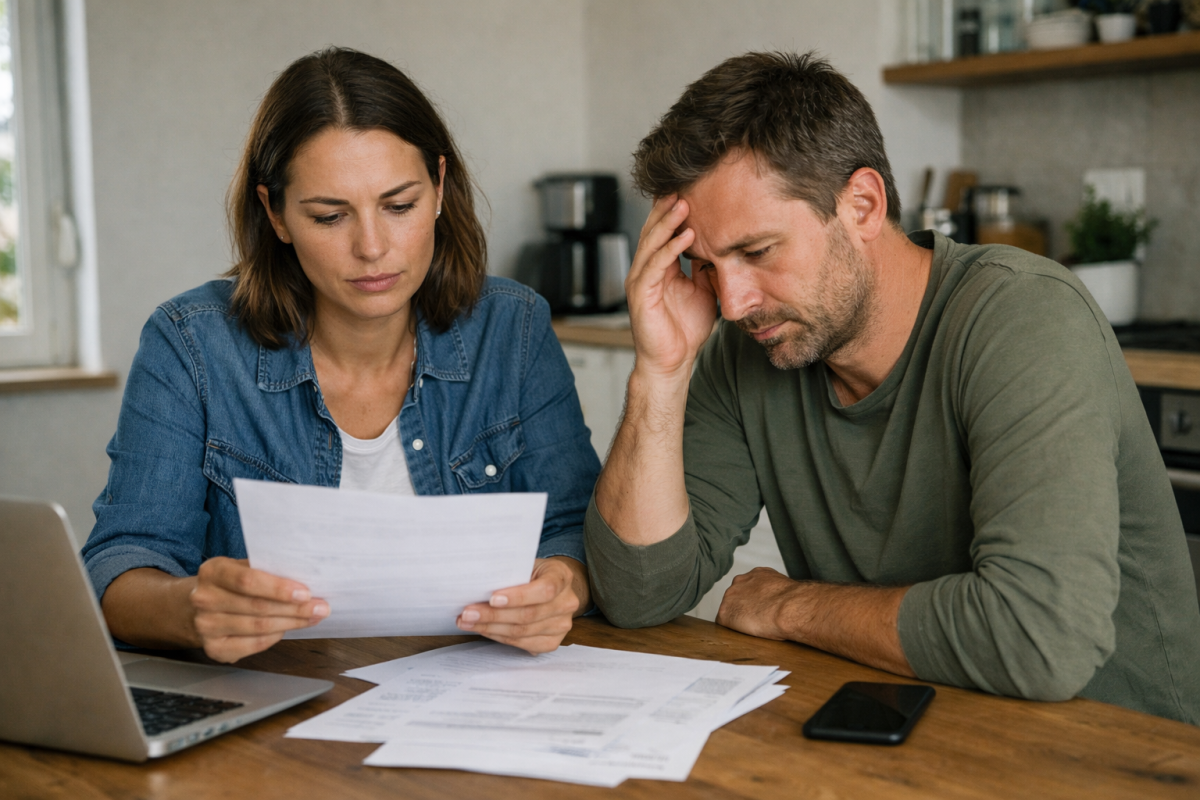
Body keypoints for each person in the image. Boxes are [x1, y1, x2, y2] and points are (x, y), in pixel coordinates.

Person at [585, 51, 1200, 723]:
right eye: (704, 264)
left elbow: (1037, 637)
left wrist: (790, 606)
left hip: (1113, 752)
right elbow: (638, 596)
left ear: (863, 206)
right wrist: (660, 371)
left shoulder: (1023, 317)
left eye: (757, 252)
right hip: (918, 728)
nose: (732, 302)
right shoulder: (749, 346)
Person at [82, 48, 600, 663]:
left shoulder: (513, 327)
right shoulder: (191, 343)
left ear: (439, 186)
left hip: (474, 697)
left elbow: (574, 531)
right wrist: (189, 607)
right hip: (275, 711)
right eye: (330, 216)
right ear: (275, 214)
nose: (372, 247)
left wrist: (560, 586)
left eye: (399, 206)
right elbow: (121, 565)